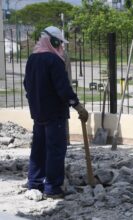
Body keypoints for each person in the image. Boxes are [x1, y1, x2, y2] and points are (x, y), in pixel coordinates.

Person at [23, 26, 88, 198]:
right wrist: (77, 105)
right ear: (52, 41)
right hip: (55, 114)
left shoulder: (32, 59)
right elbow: (63, 88)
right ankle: (52, 187)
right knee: (56, 149)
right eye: (59, 43)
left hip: (38, 113)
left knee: (38, 149)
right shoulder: (54, 60)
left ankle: (35, 183)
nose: (61, 47)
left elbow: (26, 85)